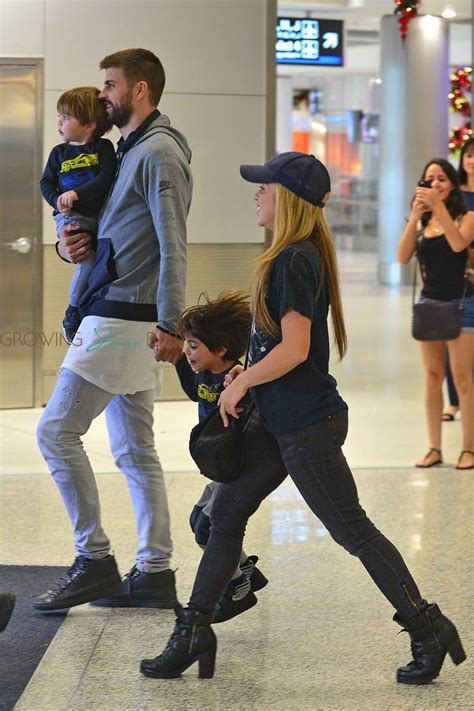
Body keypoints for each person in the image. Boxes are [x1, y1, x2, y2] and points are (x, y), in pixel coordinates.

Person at [139, 151, 466, 684]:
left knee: (354, 532)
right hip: (280, 419)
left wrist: (243, 379)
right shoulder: (295, 253)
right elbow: (279, 345)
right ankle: (194, 630)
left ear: (286, 197)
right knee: (224, 517)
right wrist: (248, 368)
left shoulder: (294, 258)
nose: (256, 194)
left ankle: (428, 628)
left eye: (264, 186)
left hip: (304, 427)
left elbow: (295, 348)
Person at [34, 48, 193, 611]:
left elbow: (173, 246)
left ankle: (94, 559)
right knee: (135, 450)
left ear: (140, 90)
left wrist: (173, 323)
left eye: (110, 84)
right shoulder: (126, 151)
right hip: (117, 308)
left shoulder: (158, 154)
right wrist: (68, 244)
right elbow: (111, 235)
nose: (101, 94)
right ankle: (153, 571)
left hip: (123, 317)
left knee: (55, 432)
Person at [173, 290, 268, 623]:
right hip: (219, 466)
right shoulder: (204, 373)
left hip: (235, 466)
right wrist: (173, 357)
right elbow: (192, 389)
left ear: (222, 350)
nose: (187, 351)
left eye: (194, 345)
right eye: (186, 343)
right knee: (198, 522)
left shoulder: (238, 378)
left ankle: (239, 587)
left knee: (206, 528)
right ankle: (246, 572)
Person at [398, 159, 474, 470]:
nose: (436, 184)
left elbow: (458, 244)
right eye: (429, 179)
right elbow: (402, 257)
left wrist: (438, 208)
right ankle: (434, 447)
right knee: (432, 378)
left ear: (453, 184)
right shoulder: (421, 222)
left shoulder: (467, 217)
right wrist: (415, 216)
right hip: (430, 305)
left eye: (442, 178)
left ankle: (468, 449)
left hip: (463, 305)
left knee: (463, 379)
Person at [40, 86, 116, 343]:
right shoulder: (58, 153)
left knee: (99, 262)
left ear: (88, 125)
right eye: (59, 117)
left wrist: (79, 193)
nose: (59, 123)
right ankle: (73, 310)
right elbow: (46, 183)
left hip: (98, 217)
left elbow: (106, 179)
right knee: (86, 260)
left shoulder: (103, 148)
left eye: (66, 118)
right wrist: (58, 201)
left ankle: (86, 306)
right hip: (71, 216)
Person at [443, 137, 474, 421]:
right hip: (456, 276)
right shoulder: (456, 198)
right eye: (468, 155)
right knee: (451, 337)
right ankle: (453, 401)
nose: (472, 161)